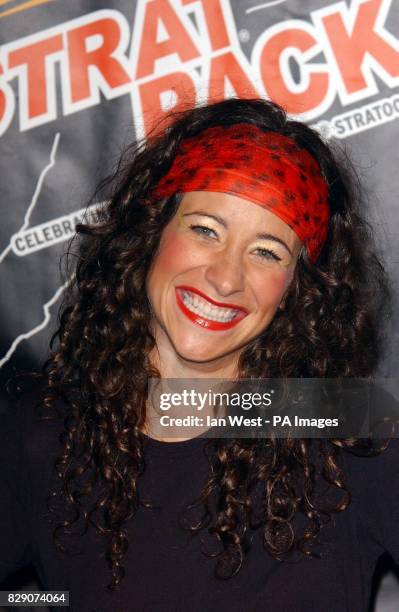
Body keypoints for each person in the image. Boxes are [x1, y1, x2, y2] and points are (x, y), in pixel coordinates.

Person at [0, 97, 398, 612]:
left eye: (266, 252)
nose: (226, 278)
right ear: (151, 233)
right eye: (206, 229)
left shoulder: (348, 425)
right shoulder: (45, 426)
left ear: (297, 289)